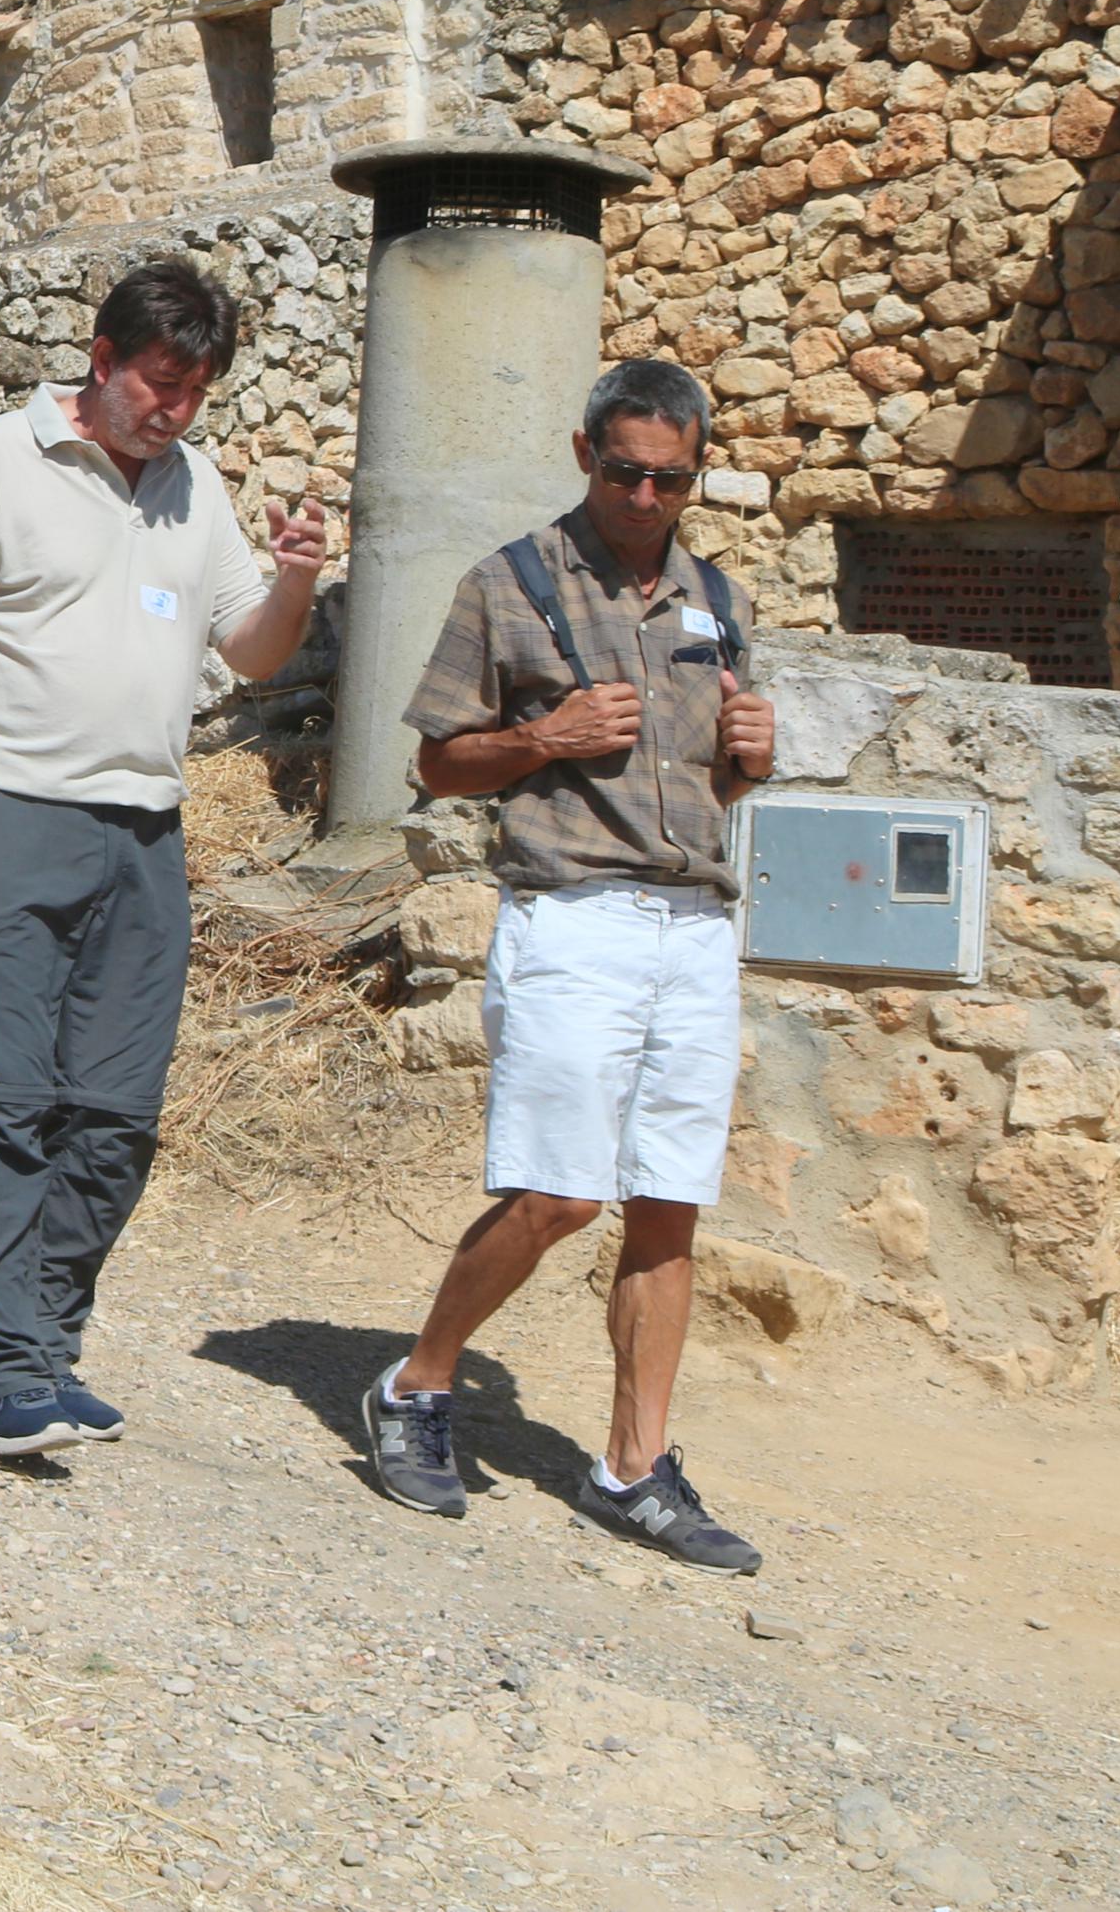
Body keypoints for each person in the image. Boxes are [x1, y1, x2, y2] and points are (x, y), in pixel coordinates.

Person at [0, 258, 329, 1459]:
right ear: (101, 354)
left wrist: (294, 576)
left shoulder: (196, 482)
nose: (173, 407)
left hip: (144, 832)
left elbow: (255, 652)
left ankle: (45, 1343)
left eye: (194, 387)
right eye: (158, 380)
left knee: (114, 1112)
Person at [364, 358, 778, 1572]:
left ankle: (632, 1467)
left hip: (693, 928)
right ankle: (416, 1382)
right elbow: (437, 765)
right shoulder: (508, 583)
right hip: (572, 913)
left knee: (666, 1208)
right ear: (581, 453)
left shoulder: (716, 597)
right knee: (558, 1193)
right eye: (622, 470)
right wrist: (542, 737)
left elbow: (713, 784)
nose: (644, 495)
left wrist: (750, 756)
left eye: (669, 476)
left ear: (694, 470)